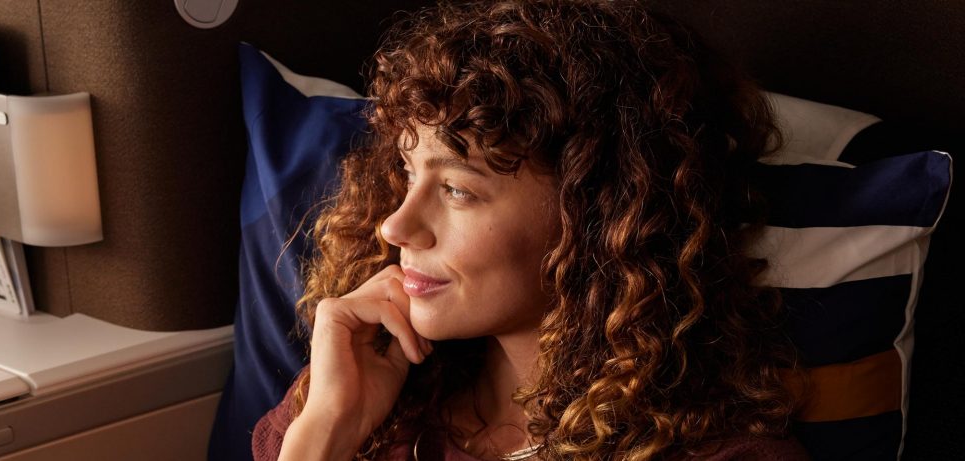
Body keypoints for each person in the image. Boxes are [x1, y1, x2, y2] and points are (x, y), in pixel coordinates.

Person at [253, 1, 808, 460]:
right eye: (407, 171)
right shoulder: (350, 400)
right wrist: (326, 428)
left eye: (457, 190)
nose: (397, 226)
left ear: (597, 219)